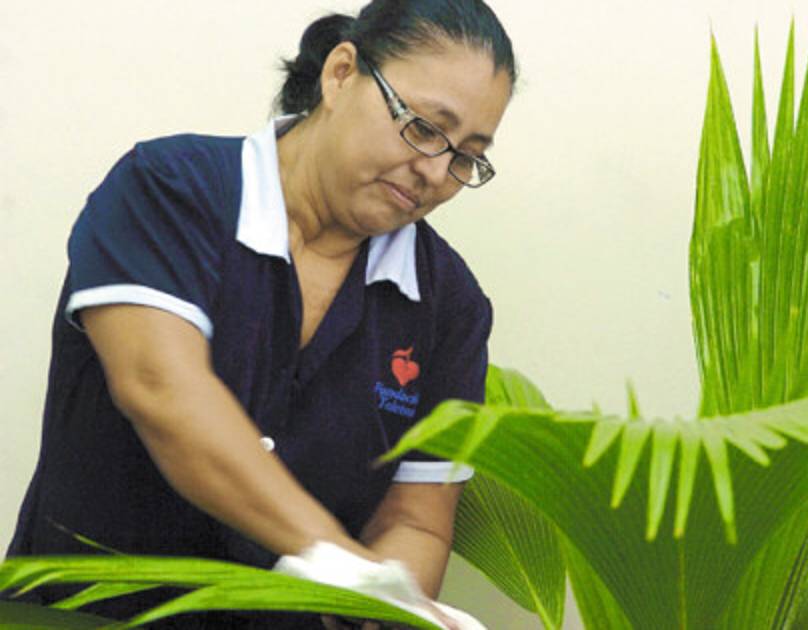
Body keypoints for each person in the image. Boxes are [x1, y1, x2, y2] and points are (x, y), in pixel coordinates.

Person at [5, 0, 515, 627]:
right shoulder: (169, 191)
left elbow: (416, 520)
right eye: (425, 128)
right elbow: (162, 391)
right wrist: (339, 562)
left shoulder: (449, 305)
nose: (435, 172)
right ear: (341, 74)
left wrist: (385, 609)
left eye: (466, 157)